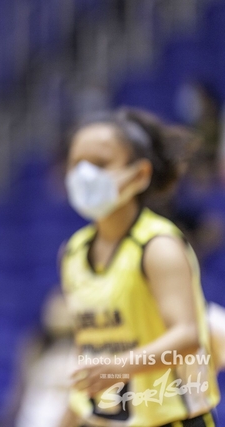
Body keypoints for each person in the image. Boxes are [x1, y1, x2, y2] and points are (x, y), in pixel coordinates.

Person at [59, 107, 220, 427]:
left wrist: (120, 367)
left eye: (100, 163)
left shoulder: (158, 246)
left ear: (140, 174)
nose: (85, 174)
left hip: (175, 419)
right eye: (76, 163)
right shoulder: (73, 252)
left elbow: (187, 338)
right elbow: (89, 350)